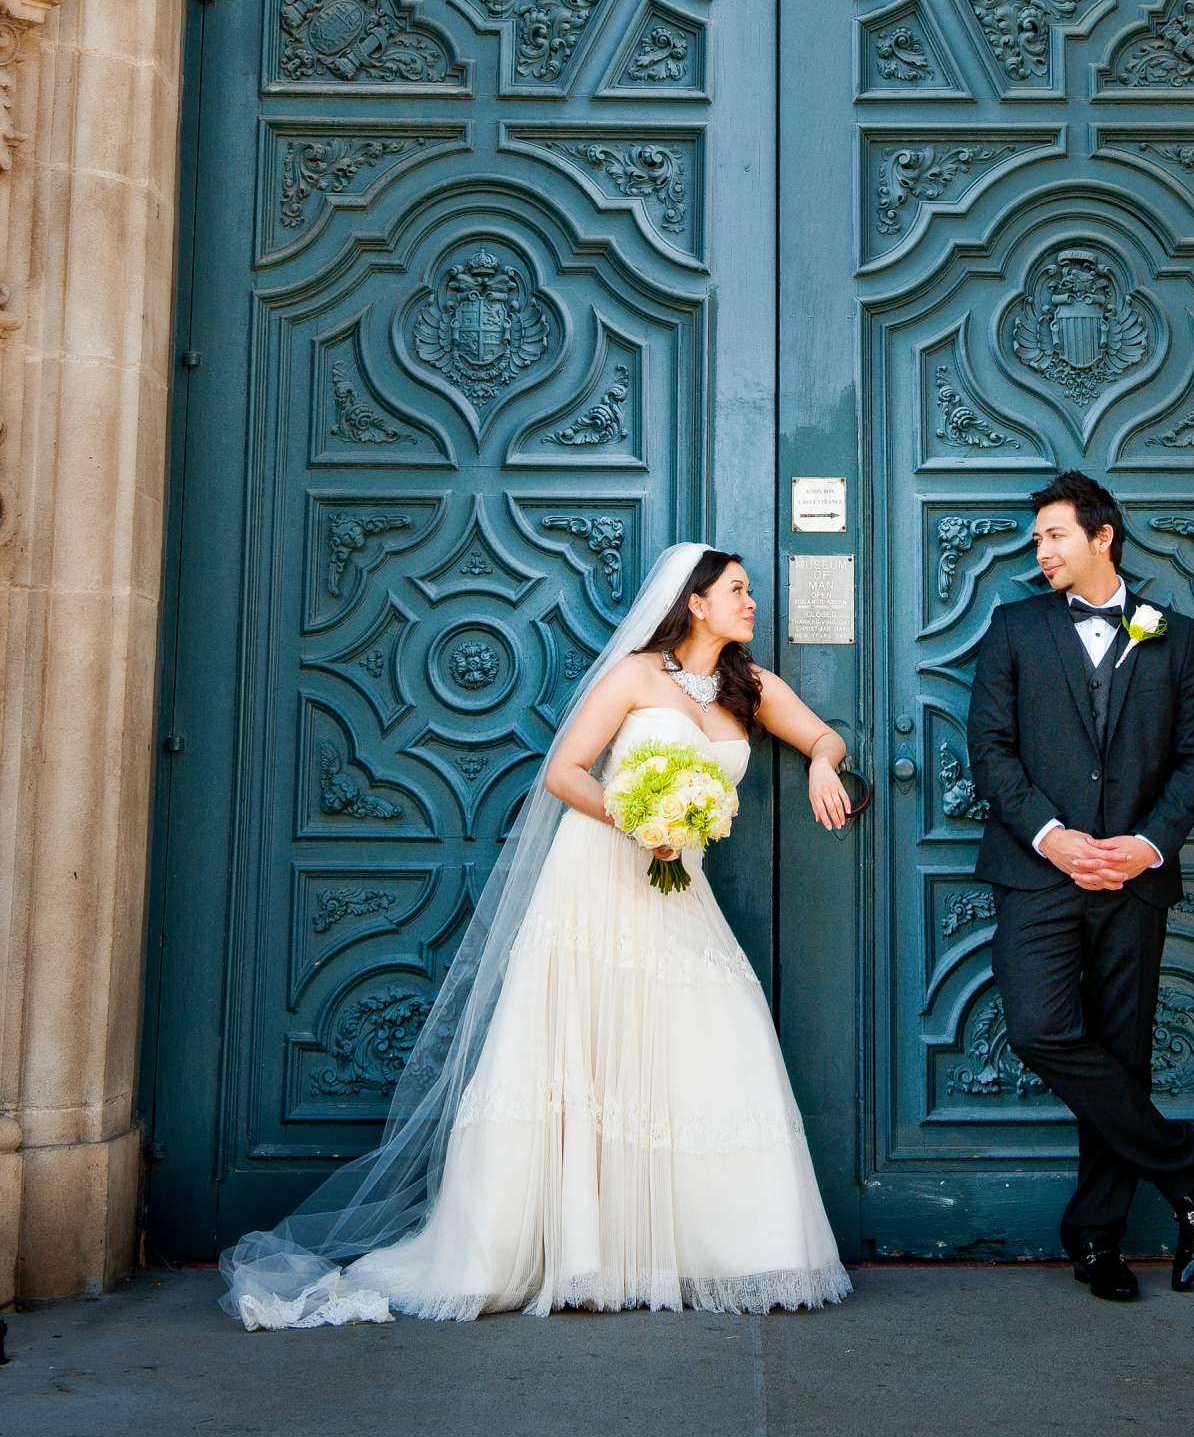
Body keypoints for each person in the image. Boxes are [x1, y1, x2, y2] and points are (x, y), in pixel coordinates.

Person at [221, 543, 853, 1326]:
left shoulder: (748, 687)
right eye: (737, 590)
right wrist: (635, 817)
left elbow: (824, 737)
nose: (752, 602)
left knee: (708, 1042)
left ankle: (711, 1248)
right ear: (694, 602)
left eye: (749, 591)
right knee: (579, 1052)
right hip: (598, 878)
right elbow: (566, 771)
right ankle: (572, 1251)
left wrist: (824, 764)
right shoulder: (635, 675)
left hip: (678, 889)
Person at [966, 470, 1194, 1302]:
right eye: (1038, 539)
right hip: (1037, 873)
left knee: (1121, 1055)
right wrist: (1054, 837)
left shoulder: (1170, 635)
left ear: (1100, 536)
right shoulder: (1014, 629)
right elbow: (991, 750)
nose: (1039, 551)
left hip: (1133, 881)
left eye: (1053, 536)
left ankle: (1098, 1240)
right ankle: (1193, 1167)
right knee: (1042, 1027)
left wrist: (1146, 846)